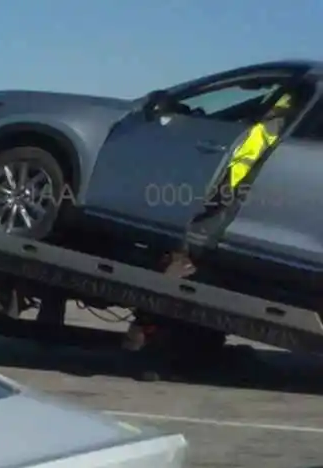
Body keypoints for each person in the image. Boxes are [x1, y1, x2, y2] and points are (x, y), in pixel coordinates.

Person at [125, 89, 299, 359]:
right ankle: (158, 337)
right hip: (231, 204)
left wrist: (219, 197)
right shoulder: (281, 108)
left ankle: (149, 334)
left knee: (182, 264)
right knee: (184, 266)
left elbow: (245, 159)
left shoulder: (277, 116)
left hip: (226, 205)